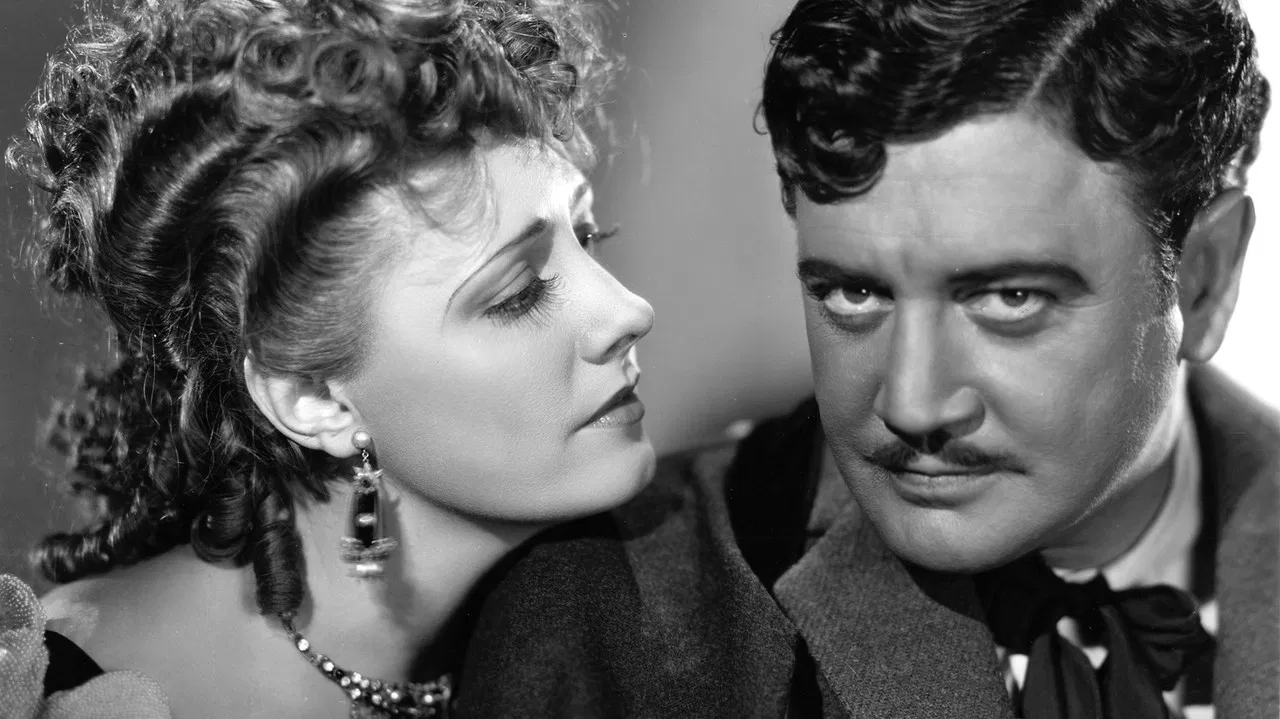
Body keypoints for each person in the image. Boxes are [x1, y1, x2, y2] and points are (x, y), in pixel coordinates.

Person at [451, 1, 1280, 717]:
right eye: (853, 293)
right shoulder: (600, 617)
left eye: (1008, 298)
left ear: (1205, 281)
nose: (912, 403)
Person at [0, 0, 655, 716]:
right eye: (517, 294)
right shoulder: (65, 697)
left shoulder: (641, 594)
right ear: (313, 399)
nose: (628, 312)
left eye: (587, 237)